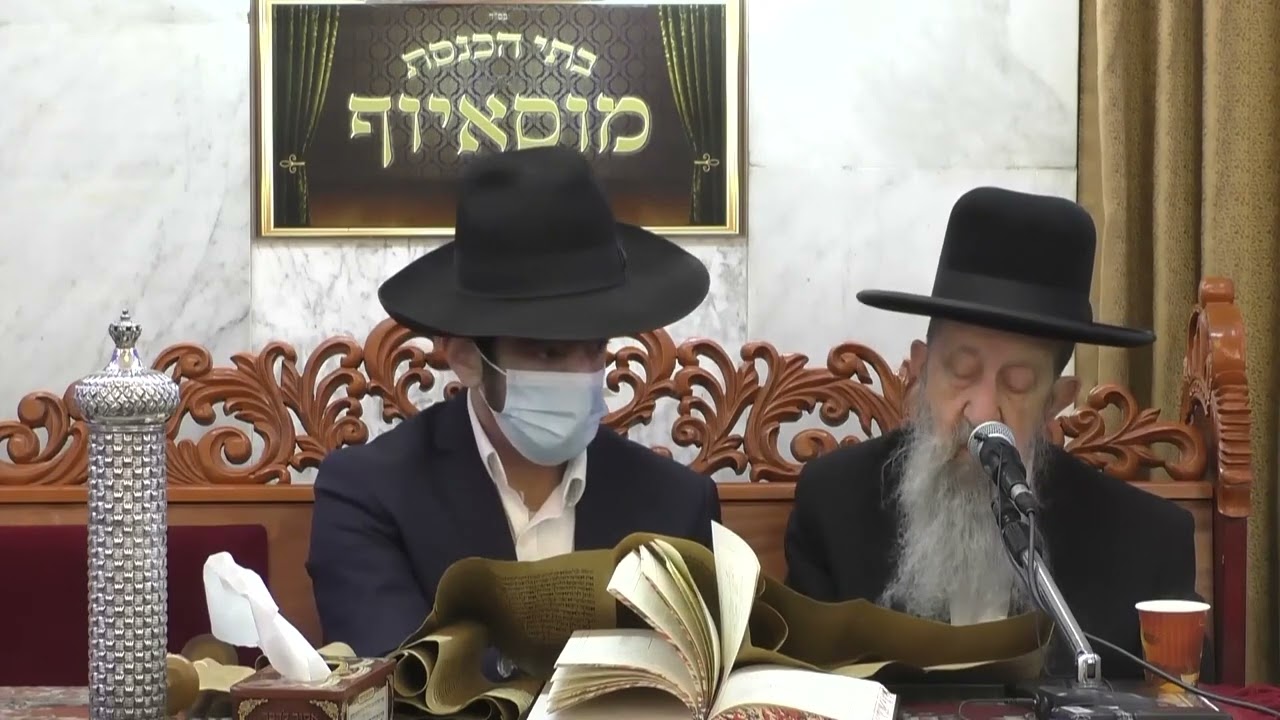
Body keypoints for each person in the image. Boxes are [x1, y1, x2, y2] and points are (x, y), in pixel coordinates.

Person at [308, 146, 721, 659]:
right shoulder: (369, 495)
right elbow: (394, 675)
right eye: (548, 352)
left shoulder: (677, 503)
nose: (581, 375)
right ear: (466, 357)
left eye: (595, 348)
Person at [783, 186, 1205, 679]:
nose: (982, 412)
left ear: (1054, 402)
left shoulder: (1146, 542)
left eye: (1018, 384)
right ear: (919, 372)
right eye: (961, 372)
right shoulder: (833, 505)